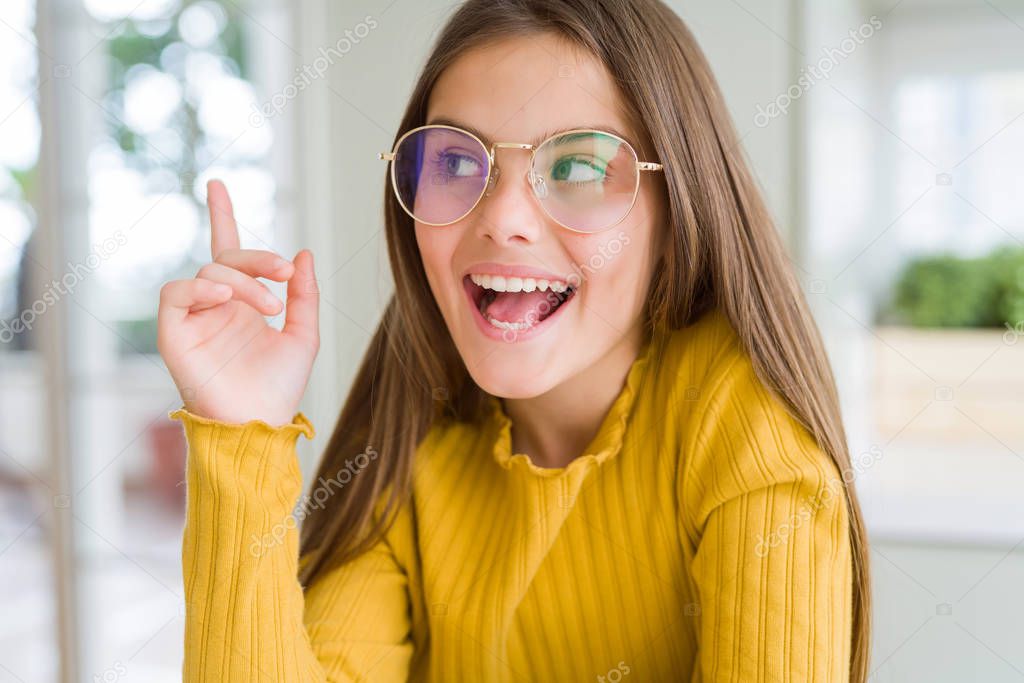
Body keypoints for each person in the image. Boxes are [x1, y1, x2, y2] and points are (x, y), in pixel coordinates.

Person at [157, 0, 870, 680]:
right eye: (458, 163)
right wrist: (239, 433)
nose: (502, 218)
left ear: (678, 205)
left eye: (578, 166)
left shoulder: (745, 434)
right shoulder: (407, 446)